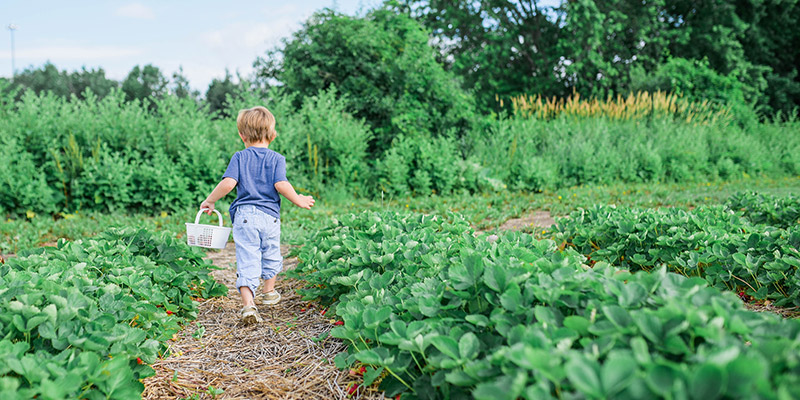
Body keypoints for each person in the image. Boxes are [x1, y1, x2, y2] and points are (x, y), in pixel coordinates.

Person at [200, 106, 315, 324]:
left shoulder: (239, 157)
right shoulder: (277, 159)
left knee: (247, 258)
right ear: (273, 135)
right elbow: (281, 184)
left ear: (241, 135)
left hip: (245, 217)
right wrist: (299, 199)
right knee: (271, 252)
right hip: (269, 217)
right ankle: (269, 292)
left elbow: (229, 183)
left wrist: (211, 199)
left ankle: (248, 305)